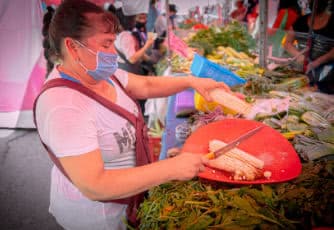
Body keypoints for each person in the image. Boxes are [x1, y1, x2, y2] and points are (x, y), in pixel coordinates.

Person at [35, 0, 230, 229]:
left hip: (131, 203)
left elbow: (146, 85)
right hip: (98, 219)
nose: (113, 54)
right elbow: (94, 184)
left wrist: (191, 81)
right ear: (73, 46)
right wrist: (171, 169)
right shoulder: (63, 106)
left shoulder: (103, 75)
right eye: (106, 44)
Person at [284, 0, 334, 94]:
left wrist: (318, 62)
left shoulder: (332, 21)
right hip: (302, 73)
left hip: (327, 77)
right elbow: (287, 43)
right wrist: (300, 56)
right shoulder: (301, 20)